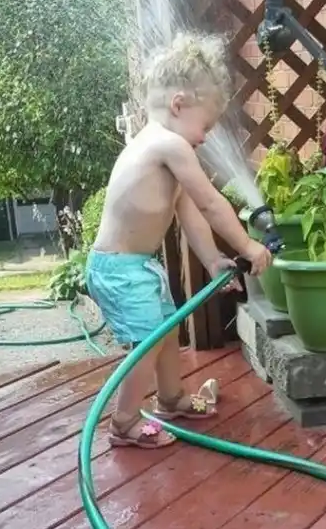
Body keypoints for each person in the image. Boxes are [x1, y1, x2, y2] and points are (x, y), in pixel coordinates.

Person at [85, 31, 272, 448]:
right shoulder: (167, 145)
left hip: (136, 266)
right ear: (178, 104)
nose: (205, 137)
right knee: (149, 341)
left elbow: (191, 215)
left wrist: (213, 260)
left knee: (167, 332)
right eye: (205, 126)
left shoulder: (166, 149)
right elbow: (211, 203)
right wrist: (247, 246)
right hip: (118, 269)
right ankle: (124, 423)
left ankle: (170, 399)